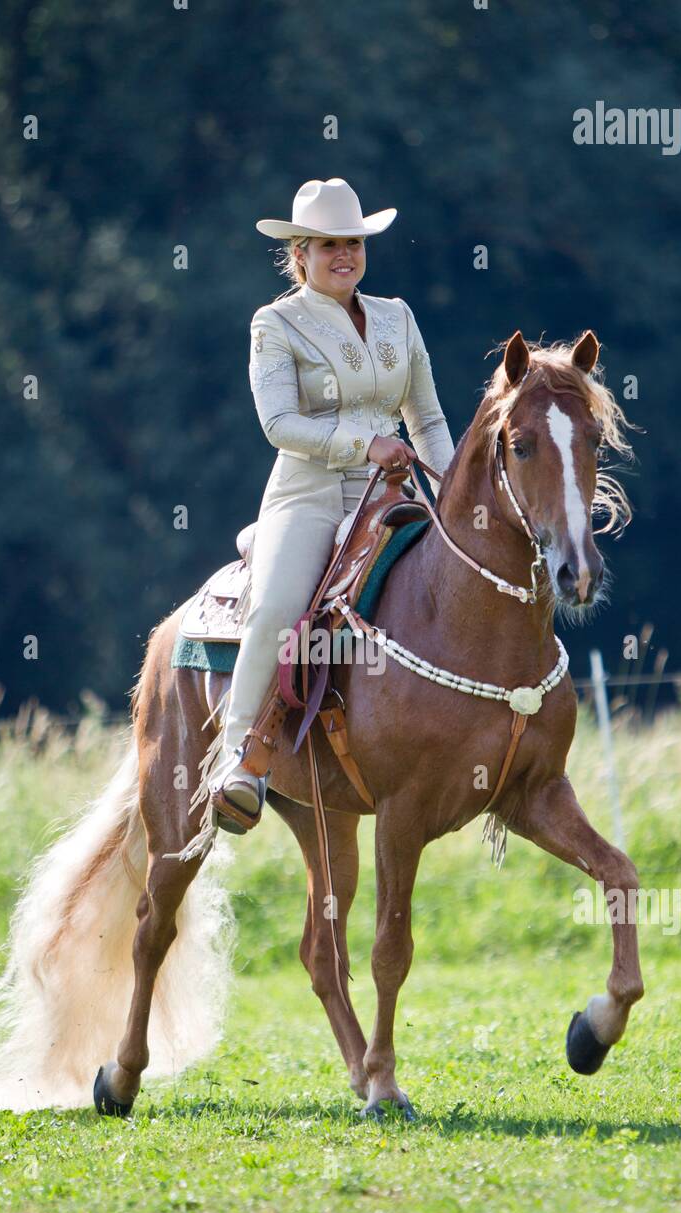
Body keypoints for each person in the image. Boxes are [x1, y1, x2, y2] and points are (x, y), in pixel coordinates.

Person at [203, 177, 456, 839]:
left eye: (354, 242)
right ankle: (242, 760)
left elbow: (425, 419)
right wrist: (363, 444)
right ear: (301, 254)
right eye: (329, 245)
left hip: (391, 495)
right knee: (280, 607)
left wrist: (457, 500)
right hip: (309, 493)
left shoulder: (399, 316)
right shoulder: (275, 324)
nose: (344, 254)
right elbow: (279, 423)